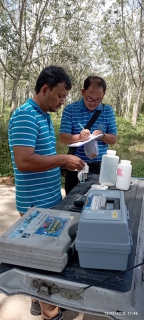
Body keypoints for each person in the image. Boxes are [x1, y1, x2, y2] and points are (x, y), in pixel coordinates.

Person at [8, 65, 85, 320]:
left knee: (45, 261)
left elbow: (41, 156)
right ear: (45, 88)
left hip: (49, 200)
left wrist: (60, 160)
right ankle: (50, 313)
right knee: (44, 268)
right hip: (35, 205)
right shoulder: (25, 116)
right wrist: (63, 160)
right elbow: (24, 161)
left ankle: (36, 300)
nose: (62, 102)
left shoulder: (42, 115)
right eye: (60, 96)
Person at [59, 76, 117, 194]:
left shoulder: (108, 111)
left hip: (101, 166)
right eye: (89, 98)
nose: (93, 103)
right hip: (76, 164)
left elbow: (113, 138)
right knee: (72, 202)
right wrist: (79, 137)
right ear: (83, 92)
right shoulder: (70, 110)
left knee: (99, 201)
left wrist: (102, 136)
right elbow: (63, 137)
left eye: (98, 99)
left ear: (103, 95)